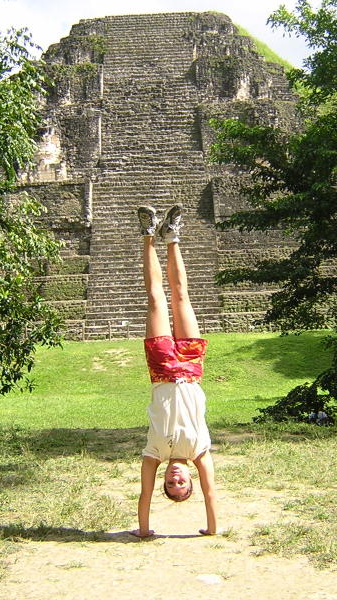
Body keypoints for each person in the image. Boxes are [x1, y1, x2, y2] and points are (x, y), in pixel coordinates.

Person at [130, 204, 218, 539]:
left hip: (163, 368)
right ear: (191, 479)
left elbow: (144, 495)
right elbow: (211, 495)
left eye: (171, 484)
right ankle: (174, 236)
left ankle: (149, 234)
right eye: (182, 484)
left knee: (156, 301)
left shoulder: (154, 454)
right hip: (192, 368)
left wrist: (144, 530)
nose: (175, 479)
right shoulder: (199, 451)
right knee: (182, 298)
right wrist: (211, 530)